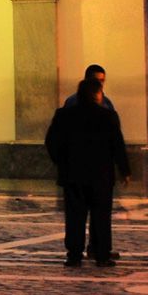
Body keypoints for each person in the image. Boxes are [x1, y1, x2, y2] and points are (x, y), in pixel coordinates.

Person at [46, 77, 130, 267]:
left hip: (73, 175)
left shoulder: (64, 115)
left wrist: (61, 162)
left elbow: (51, 142)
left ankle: (74, 254)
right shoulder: (107, 116)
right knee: (101, 216)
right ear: (97, 94)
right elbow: (117, 145)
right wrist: (124, 169)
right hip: (100, 175)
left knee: (75, 216)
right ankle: (102, 254)